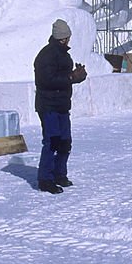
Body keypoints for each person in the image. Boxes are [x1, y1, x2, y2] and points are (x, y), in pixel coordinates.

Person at [33, 18, 88, 194]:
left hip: (62, 104)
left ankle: (59, 174)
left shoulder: (64, 54)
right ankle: (45, 179)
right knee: (52, 141)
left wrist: (76, 75)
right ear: (63, 38)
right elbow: (46, 80)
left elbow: (62, 78)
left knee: (65, 141)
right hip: (48, 105)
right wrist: (71, 77)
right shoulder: (46, 55)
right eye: (68, 37)